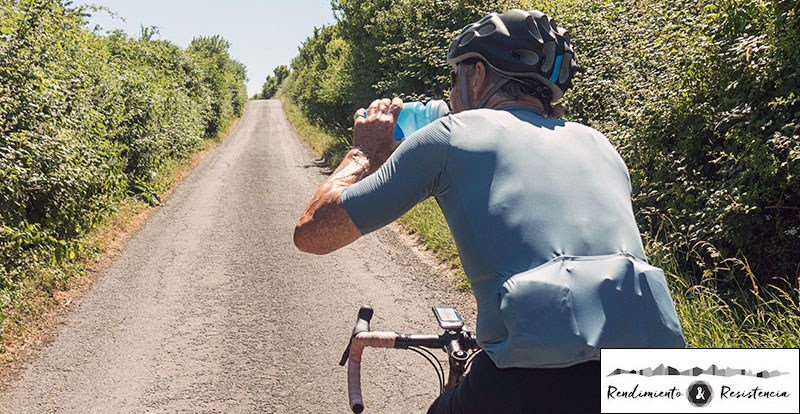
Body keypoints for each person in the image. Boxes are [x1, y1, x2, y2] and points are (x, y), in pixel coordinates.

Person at [294, 9, 685, 414]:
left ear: (477, 75)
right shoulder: (601, 145)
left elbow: (313, 233)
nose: (449, 97)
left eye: (453, 79)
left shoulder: (448, 137)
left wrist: (363, 154)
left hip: (536, 380)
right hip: (658, 376)